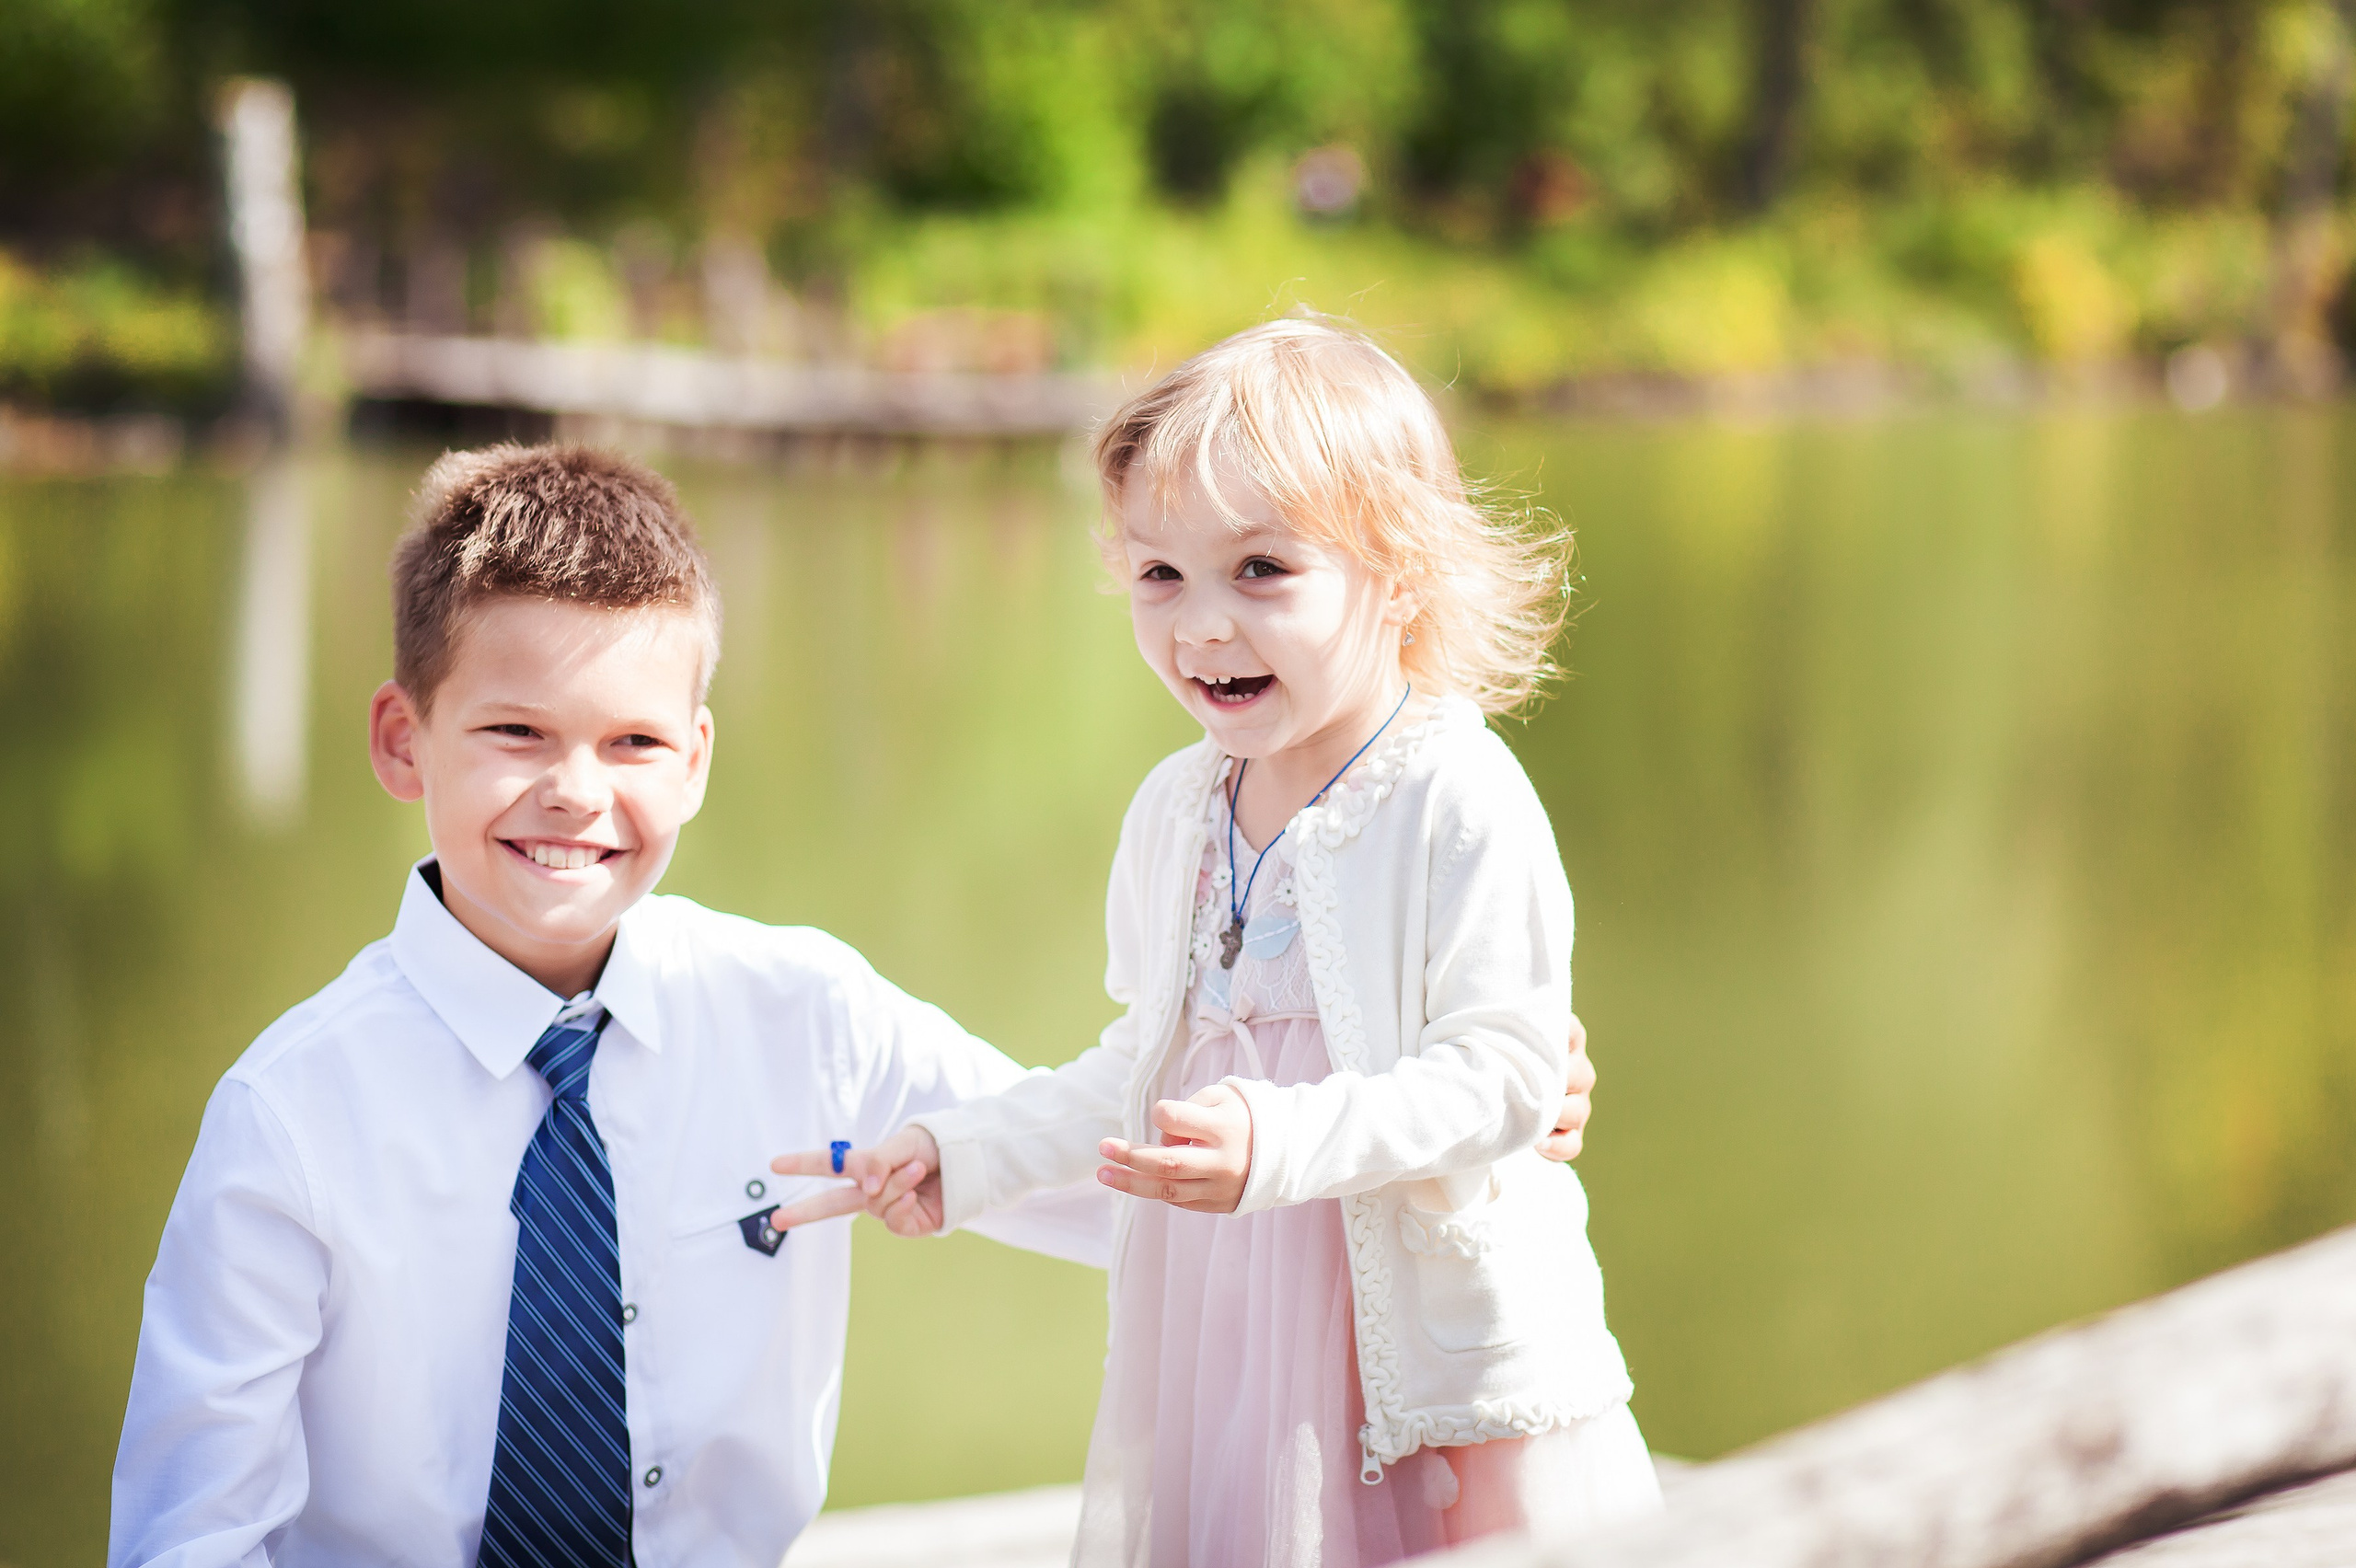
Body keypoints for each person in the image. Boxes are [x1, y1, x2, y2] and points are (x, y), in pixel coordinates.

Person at [109, 441, 1601, 1567]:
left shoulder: (801, 1014)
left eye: (631, 740)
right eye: (514, 733)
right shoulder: (292, 1119)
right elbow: (193, 1530)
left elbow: (1128, 1190)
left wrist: (1424, 1117)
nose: (576, 792)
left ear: (695, 758)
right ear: (400, 739)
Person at [776, 317, 1660, 1567]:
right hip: (1232, 1349)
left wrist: (1280, 1138)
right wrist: (963, 1153)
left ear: (1397, 571)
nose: (1201, 627)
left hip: (1414, 1367)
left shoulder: (1452, 793)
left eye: (1262, 572)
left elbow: (1510, 1076)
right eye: (1160, 576)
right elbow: (1140, 1067)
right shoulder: (1177, 814)